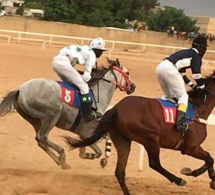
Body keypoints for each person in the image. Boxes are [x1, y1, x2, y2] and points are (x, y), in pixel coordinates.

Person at [156, 35, 208, 131]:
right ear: (201, 48)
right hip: (170, 69)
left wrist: (191, 85)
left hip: (160, 67)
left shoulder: (186, 52)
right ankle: (180, 123)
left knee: (168, 96)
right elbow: (196, 75)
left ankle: (161, 117)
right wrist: (202, 86)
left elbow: (182, 74)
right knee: (183, 97)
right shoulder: (196, 56)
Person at [52, 37, 106, 122]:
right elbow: (86, 78)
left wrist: (79, 75)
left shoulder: (85, 48)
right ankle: (87, 114)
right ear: (97, 50)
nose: (102, 53)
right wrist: (93, 77)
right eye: (101, 51)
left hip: (56, 62)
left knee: (72, 84)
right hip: (64, 63)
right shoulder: (92, 55)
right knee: (84, 87)